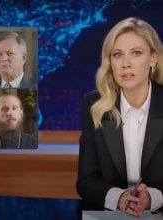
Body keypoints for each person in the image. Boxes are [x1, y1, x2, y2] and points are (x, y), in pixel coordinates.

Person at [76, 17, 163, 217]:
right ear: (110, 61)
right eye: (117, 55)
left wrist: (152, 198)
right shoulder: (93, 105)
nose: (126, 64)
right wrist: (120, 198)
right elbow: (86, 181)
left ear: (153, 58)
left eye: (136, 53)